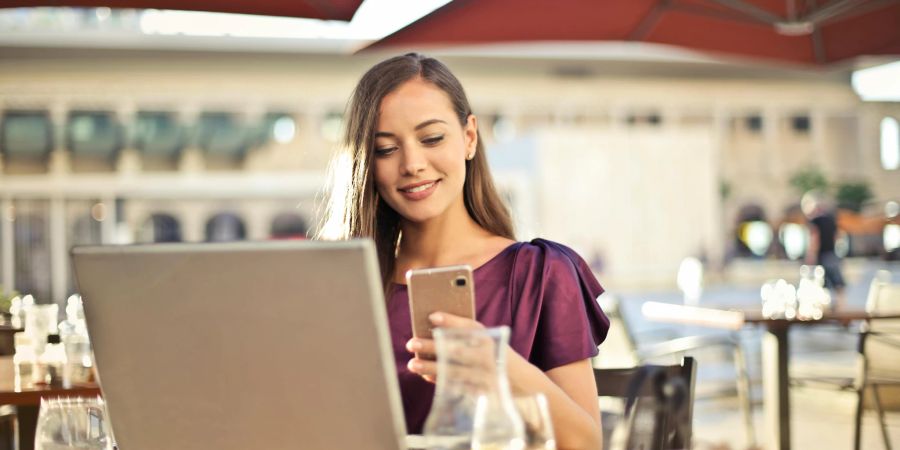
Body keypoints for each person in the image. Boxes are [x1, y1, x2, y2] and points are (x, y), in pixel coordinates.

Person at [319, 53, 609, 449]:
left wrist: (498, 366)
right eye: (386, 149)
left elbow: (587, 443)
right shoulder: (344, 286)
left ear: (469, 137)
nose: (413, 164)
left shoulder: (540, 272)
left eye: (432, 138)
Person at [802, 190, 846, 309]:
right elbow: (838, 236)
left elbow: (815, 238)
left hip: (821, 255)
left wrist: (811, 255)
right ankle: (841, 305)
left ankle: (821, 306)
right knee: (837, 282)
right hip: (831, 253)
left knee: (819, 280)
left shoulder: (815, 221)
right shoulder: (831, 219)